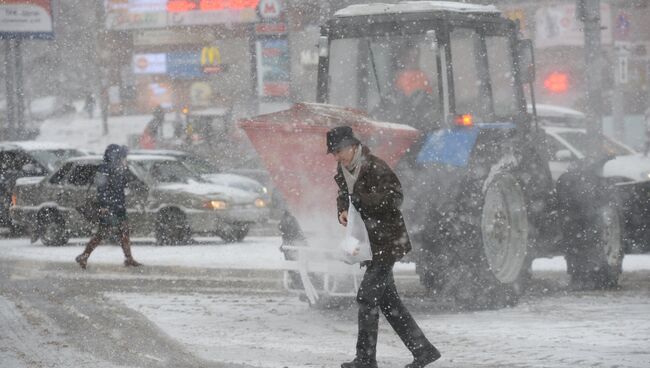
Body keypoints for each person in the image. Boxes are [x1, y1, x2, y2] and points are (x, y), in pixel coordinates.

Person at [327, 126, 440, 368]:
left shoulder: (375, 167)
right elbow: (344, 194)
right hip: (368, 242)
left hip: (387, 242)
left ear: (353, 146)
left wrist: (363, 200)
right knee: (389, 302)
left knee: (366, 298)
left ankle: (366, 360)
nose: (336, 157)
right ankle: (424, 351)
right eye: (333, 153)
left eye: (338, 151)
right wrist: (343, 210)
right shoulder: (344, 169)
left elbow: (395, 198)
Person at [75, 144, 142, 269]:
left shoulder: (118, 168)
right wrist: (104, 205)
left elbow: (123, 185)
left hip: (118, 206)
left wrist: (126, 172)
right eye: (123, 156)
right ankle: (84, 256)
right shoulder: (104, 169)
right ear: (116, 157)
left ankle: (128, 258)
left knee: (122, 232)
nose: (125, 159)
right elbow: (102, 189)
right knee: (104, 233)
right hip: (110, 207)